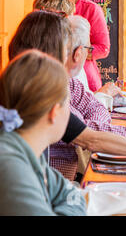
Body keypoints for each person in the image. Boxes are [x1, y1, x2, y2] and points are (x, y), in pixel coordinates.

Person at [8, 11, 126, 180]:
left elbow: (94, 114)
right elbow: (91, 138)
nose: (71, 54)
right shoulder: (37, 92)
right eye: (66, 47)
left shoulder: (53, 81)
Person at [0, 49, 86, 215]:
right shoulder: (11, 168)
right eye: (68, 105)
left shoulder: (28, 150)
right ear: (54, 112)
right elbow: (73, 198)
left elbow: (71, 192)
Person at [32, 0, 121, 105]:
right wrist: (104, 94)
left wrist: (100, 94)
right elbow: (78, 113)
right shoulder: (59, 66)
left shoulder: (30, 54)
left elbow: (80, 104)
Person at [51, 0, 110, 92]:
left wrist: (72, 54)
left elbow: (103, 48)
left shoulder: (92, 9)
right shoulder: (47, 6)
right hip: (53, 77)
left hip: (87, 81)